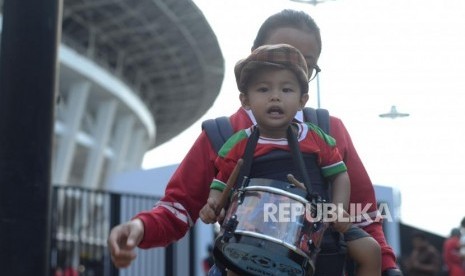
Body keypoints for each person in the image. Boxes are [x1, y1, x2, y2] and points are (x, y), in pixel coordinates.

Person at [107, 9, 400, 275]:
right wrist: (139, 227)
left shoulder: (328, 130)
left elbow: (364, 213)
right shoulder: (222, 136)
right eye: (277, 59)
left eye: (304, 66)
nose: (289, 69)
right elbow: (178, 208)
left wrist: (387, 266)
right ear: (252, 60)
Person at [198, 43, 381, 276]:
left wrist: (338, 209)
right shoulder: (238, 143)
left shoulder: (316, 137)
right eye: (263, 90)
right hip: (256, 224)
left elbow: (339, 175)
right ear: (246, 101)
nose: (275, 97)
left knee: (370, 249)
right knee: (236, 267)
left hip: (316, 218)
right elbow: (221, 181)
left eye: (286, 90)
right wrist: (213, 204)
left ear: (302, 100)